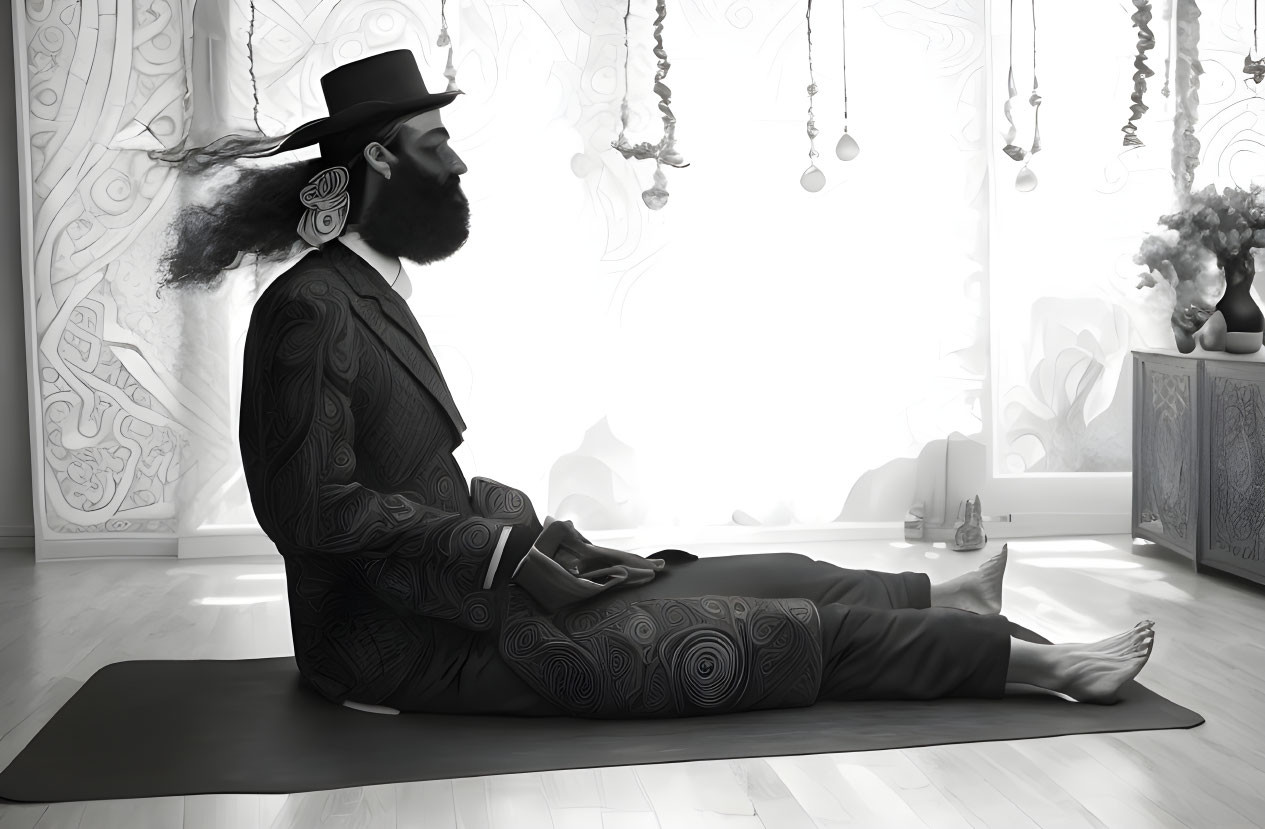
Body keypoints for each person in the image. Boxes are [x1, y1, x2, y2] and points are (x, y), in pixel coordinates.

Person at [155, 50, 1155, 718]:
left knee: (758, 572)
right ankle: (1042, 668)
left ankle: (938, 594)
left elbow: (417, 476)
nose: (456, 164)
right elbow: (312, 510)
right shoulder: (309, 309)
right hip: (397, 643)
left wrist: (539, 543)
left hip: (474, 589)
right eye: (433, 146)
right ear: (376, 159)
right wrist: (501, 551)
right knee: (756, 635)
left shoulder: (368, 284)